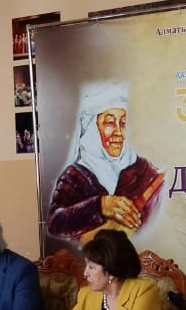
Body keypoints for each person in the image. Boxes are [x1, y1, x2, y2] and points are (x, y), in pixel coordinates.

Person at [46, 81, 164, 243]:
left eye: (122, 123)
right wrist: (100, 206)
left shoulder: (144, 170)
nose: (118, 132)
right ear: (93, 129)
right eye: (110, 122)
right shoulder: (75, 177)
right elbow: (55, 222)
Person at [42, 229, 164, 310]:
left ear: (111, 271)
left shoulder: (145, 291)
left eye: (91, 267)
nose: (85, 273)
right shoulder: (88, 294)